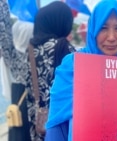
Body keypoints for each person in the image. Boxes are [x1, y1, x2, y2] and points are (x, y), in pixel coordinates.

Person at [45, 0, 117, 140]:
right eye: (103, 28)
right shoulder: (73, 65)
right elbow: (56, 125)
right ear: (93, 30)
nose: (111, 37)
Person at [1, 1, 76, 140]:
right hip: (61, 126)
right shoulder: (65, 49)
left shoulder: (30, 52)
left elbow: (7, 48)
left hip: (37, 125)